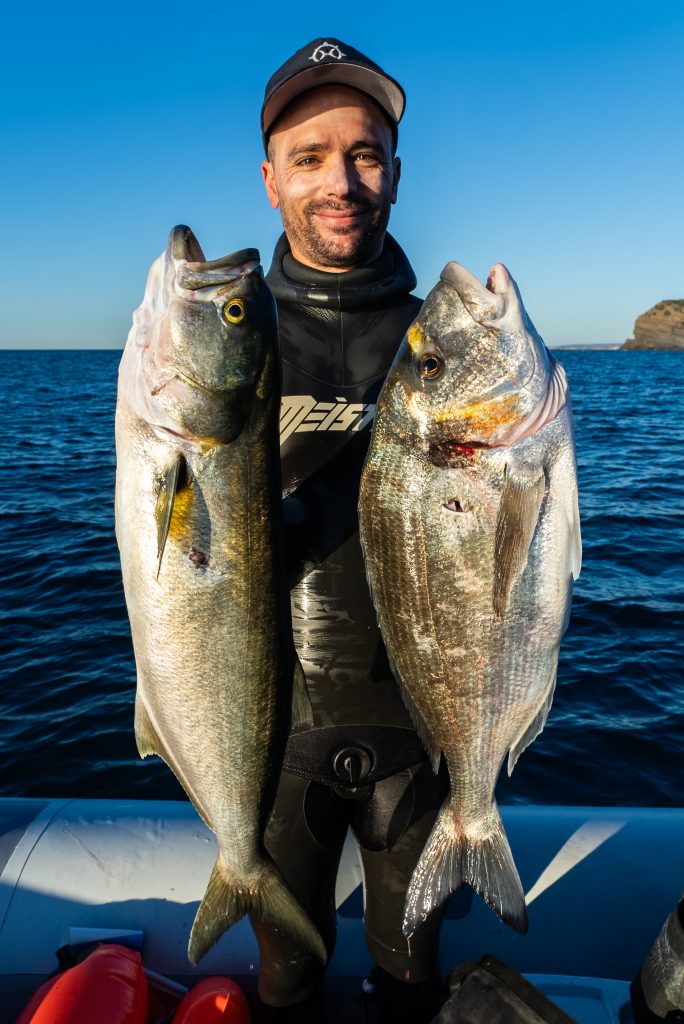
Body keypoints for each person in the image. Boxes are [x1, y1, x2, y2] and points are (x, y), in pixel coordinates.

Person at [251, 39, 449, 1023]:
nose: (343, 180)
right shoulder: (230, 346)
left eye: (366, 154)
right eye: (311, 155)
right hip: (270, 734)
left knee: (412, 978)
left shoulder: (446, 347)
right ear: (270, 179)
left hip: (425, 728)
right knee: (284, 979)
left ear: (397, 176)